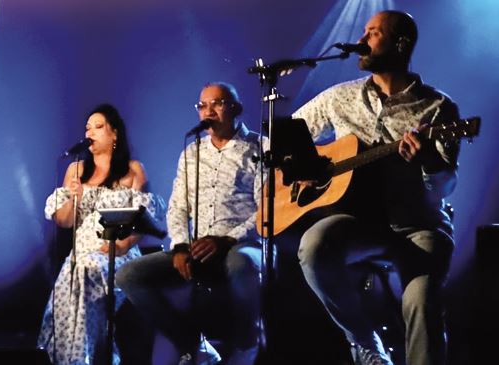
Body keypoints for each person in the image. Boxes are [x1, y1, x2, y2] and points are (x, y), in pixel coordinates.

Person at [292, 10, 459, 365]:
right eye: (364, 31)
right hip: (360, 222)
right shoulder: (339, 97)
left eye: (373, 32)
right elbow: (284, 137)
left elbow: (445, 187)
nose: (362, 39)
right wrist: (301, 168)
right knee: (313, 246)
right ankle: (364, 341)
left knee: (421, 303)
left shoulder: (438, 108)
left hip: (418, 226)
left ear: (400, 43)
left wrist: (429, 160)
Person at [116, 83, 264, 365]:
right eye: (202, 106)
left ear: (235, 108)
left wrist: (227, 240)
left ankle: (248, 342)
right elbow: (178, 206)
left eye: (217, 103)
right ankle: (193, 343)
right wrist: (181, 245)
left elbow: (267, 210)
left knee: (240, 263)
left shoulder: (259, 147)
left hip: (243, 244)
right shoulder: (191, 153)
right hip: (199, 246)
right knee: (128, 275)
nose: (208, 111)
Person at [38, 103, 161, 365]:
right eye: (87, 128)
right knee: (77, 272)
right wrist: (73, 198)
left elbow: (143, 219)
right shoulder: (76, 170)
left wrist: (122, 245)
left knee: (85, 269)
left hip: (118, 252)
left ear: (114, 133)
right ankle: (75, 356)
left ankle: (79, 359)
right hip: (82, 253)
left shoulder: (133, 170)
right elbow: (64, 221)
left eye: (98, 127)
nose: (90, 132)